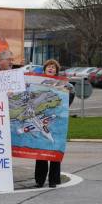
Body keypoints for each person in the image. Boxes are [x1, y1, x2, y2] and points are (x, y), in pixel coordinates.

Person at [35, 59, 73, 188]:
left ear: (56, 71)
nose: (51, 69)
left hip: (57, 122)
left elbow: (68, 100)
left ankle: (53, 180)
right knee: (40, 151)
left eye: (53, 67)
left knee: (55, 151)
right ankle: (39, 180)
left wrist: (69, 92)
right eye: (48, 67)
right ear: (44, 70)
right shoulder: (38, 83)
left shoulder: (63, 84)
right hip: (41, 119)